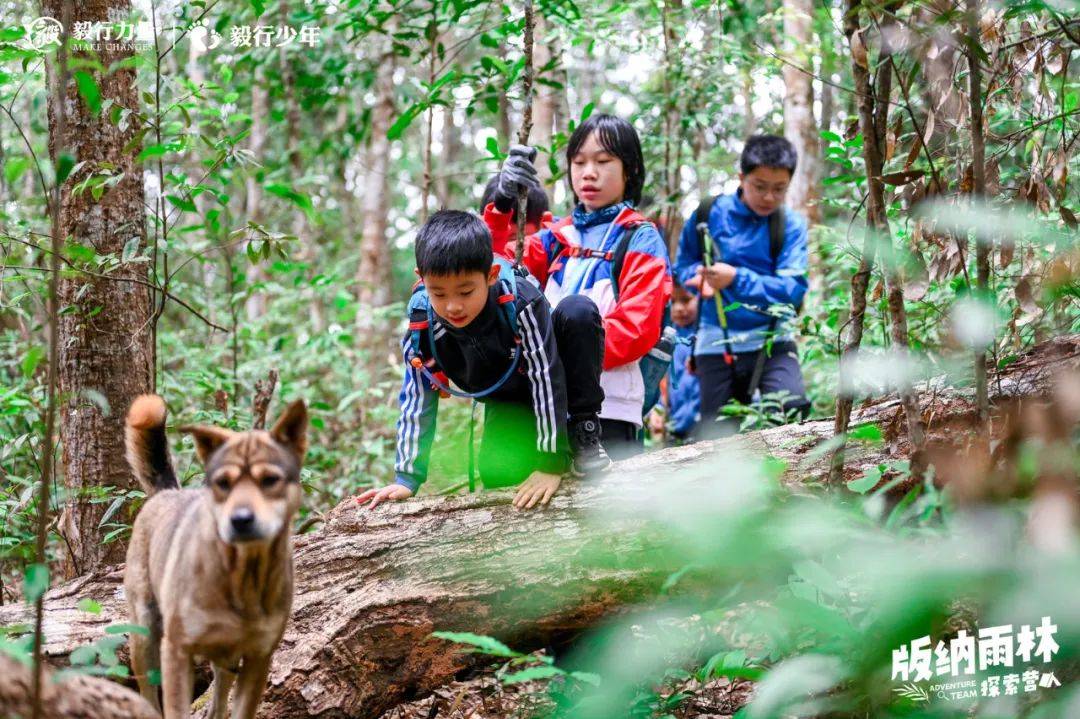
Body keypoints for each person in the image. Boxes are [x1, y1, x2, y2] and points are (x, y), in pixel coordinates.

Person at [357, 210, 610, 511]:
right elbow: (417, 398)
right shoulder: (421, 322)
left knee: (577, 310)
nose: (453, 306)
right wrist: (405, 478)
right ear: (421, 280)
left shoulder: (520, 301)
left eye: (465, 291)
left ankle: (582, 434)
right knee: (499, 477)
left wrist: (550, 462)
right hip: (505, 400)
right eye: (438, 293)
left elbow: (545, 375)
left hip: (556, 384)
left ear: (490, 275)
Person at [482, 114, 673, 460]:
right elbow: (489, 274)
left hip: (610, 409)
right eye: (579, 161)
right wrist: (502, 206)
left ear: (629, 169)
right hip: (543, 408)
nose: (588, 172)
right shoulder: (555, 238)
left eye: (603, 161)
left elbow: (637, 328)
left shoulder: (640, 238)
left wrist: (555, 354)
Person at [675, 134, 811, 438]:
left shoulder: (790, 225)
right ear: (741, 178)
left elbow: (793, 289)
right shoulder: (708, 214)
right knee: (719, 435)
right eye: (759, 187)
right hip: (716, 338)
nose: (768, 198)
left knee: (792, 414)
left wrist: (736, 278)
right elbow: (683, 264)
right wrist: (698, 279)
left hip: (773, 338)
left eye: (779, 190)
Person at [666, 280, 700, 442]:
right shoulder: (666, 338)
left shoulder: (706, 336)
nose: (679, 308)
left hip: (704, 424)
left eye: (686, 300)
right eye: (673, 302)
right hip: (675, 425)